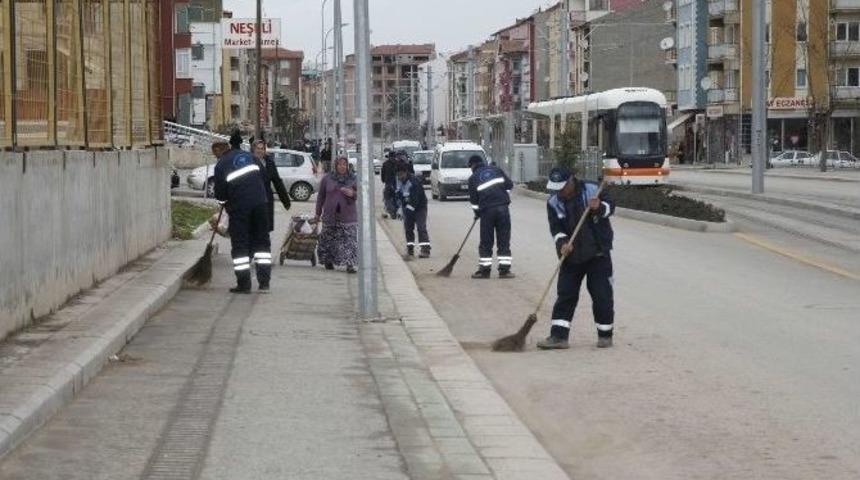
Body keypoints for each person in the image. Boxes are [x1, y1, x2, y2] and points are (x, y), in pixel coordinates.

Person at [537, 167, 615, 350]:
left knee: (602, 295)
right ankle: (558, 336)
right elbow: (555, 229)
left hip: (598, 253)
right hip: (571, 256)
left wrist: (599, 207)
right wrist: (562, 242)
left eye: (562, 187)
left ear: (571, 180)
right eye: (556, 188)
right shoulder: (553, 202)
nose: (559, 191)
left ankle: (605, 335)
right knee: (565, 295)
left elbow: (611, 208)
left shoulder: (593, 189)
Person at [214, 131, 273, 294]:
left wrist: (224, 202)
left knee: (240, 244)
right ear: (241, 144)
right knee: (262, 242)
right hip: (261, 204)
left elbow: (219, 193)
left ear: (227, 147)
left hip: (240, 207)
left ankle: (244, 284)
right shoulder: (252, 157)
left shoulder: (222, 163)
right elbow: (264, 177)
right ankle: (264, 283)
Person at [467, 155, 514, 279]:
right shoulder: (496, 170)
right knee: (504, 239)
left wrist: (477, 214)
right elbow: (509, 185)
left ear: (473, 165)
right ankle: (504, 271)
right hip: (503, 209)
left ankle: (484, 270)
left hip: (487, 212)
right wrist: (501, 195)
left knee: (486, 241)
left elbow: (474, 201)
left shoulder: (473, 178)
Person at [315, 156, 358, 273]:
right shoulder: (327, 178)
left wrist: (352, 193)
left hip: (348, 215)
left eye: (344, 164)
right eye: (340, 164)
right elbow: (321, 197)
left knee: (350, 241)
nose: (342, 167)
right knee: (328, 239)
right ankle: (328, 261)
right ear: (335, 165)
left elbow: (361, 194)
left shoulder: (353, 179)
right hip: (330, 214)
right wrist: (317, 213)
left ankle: (350, 264)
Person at [251, 140, 291, 232]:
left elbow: (277, 182)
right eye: (258, 148)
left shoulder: (269, 163)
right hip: (252, 199)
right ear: (253, 149)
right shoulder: (248, 162)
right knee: (253, 229)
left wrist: (286, 201)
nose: (260, 151)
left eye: (262, 149)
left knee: (264, 228)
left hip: (266, 199)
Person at [396, 161, 431, 258]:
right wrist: (399, 208)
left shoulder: (414, 182)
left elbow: (415, 200)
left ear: (406, 172)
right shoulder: (399, 182)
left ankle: (425, 249)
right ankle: (410, 249)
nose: (399, 177)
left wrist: (407, 210)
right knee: (408, 228)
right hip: (407, 206)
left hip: (420, 207)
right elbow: (398, 195)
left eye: (401, 174)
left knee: (421, 227)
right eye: (398, 175)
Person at [381, 151, 400, 219]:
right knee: (396, 198)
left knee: (387, 198)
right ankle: (395, 210)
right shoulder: (397, 163)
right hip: (396, 184)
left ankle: (392, 210)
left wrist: (383, 180)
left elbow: (382, 174)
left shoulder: (385, 164)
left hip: (388, 183)